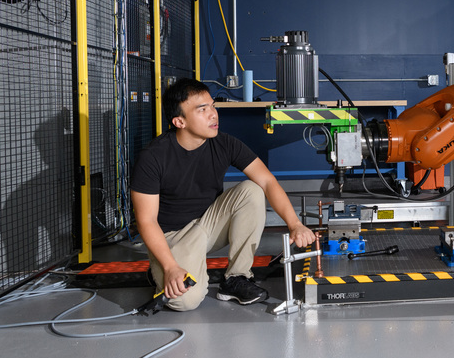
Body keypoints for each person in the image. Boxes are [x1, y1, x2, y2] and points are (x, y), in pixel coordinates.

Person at [130, 78, 317, 311]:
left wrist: (295, 224)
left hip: (209, 225)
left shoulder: (225, 143)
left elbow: (268, 181)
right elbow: (146, 221)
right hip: (173, 237)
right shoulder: (153, 157)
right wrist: (170, 267)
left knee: (252, 190)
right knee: (184, 301)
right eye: (202, 109)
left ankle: (236, 278)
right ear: (179, 121)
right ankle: (159, 268)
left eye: (212, 106)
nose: (213, 115)